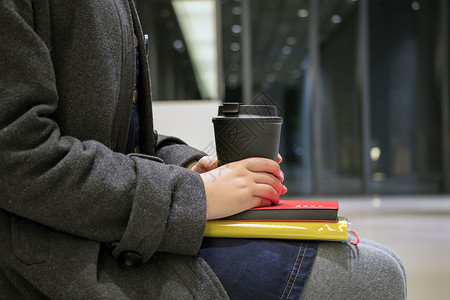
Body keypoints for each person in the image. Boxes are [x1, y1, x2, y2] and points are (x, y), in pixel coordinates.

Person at [0, 1, 406, 299]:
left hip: (108, 230)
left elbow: (123, 136)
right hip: (56, 256)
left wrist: (193, 166)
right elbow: (18, 154)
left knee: (380, 262)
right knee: (375, 276)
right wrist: (194, 194)